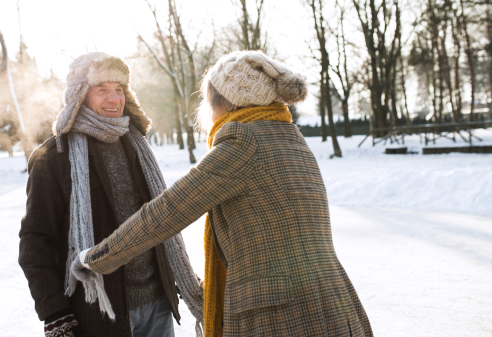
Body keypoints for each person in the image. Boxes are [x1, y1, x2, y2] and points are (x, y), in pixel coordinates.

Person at [75, 51, 374, 337]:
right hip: (334, 306)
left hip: (278, 316)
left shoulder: (243, 140)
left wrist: (97, 258)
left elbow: (167, 212)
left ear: (227, 104)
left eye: (208, 102)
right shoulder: (289, 136)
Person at [19, 52, 203, 337]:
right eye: (102, 89)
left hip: (158, 304)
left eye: (119, 90)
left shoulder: (137, 146)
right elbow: (35, 240)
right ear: (79, 95)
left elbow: (159, 221)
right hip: (100, 312)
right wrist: (54, 311)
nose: (114, 99)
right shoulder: (53, 156)